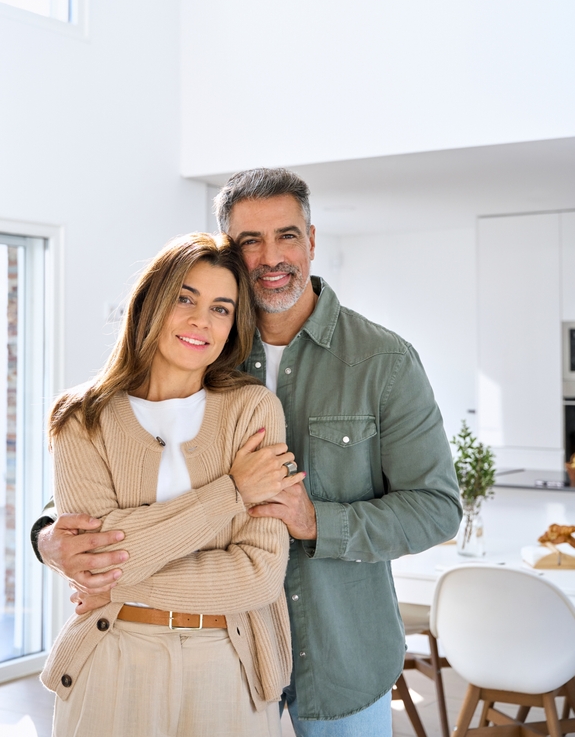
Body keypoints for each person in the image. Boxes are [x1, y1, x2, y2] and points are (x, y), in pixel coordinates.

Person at [34, 168, 462, 737]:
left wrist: (318, 521)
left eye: (286, 235)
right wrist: (45, 535)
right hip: (224, 662)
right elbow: (108, 474)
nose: (270, 257)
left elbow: (437, 508)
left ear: (311, 240)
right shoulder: (203, 348)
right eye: (249, 242)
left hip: (339, 661)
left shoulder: (383, 362)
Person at [42, 232, 302, 737]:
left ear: (233, 326)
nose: (201, 320)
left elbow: (258, 574)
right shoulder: (81, 418)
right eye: (186, 298)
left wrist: (115, 578)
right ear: (151, 304)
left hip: (228, 660)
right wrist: (231, 492)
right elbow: (96, 551)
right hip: (111, 657)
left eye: (221, 308)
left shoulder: (253, 411)